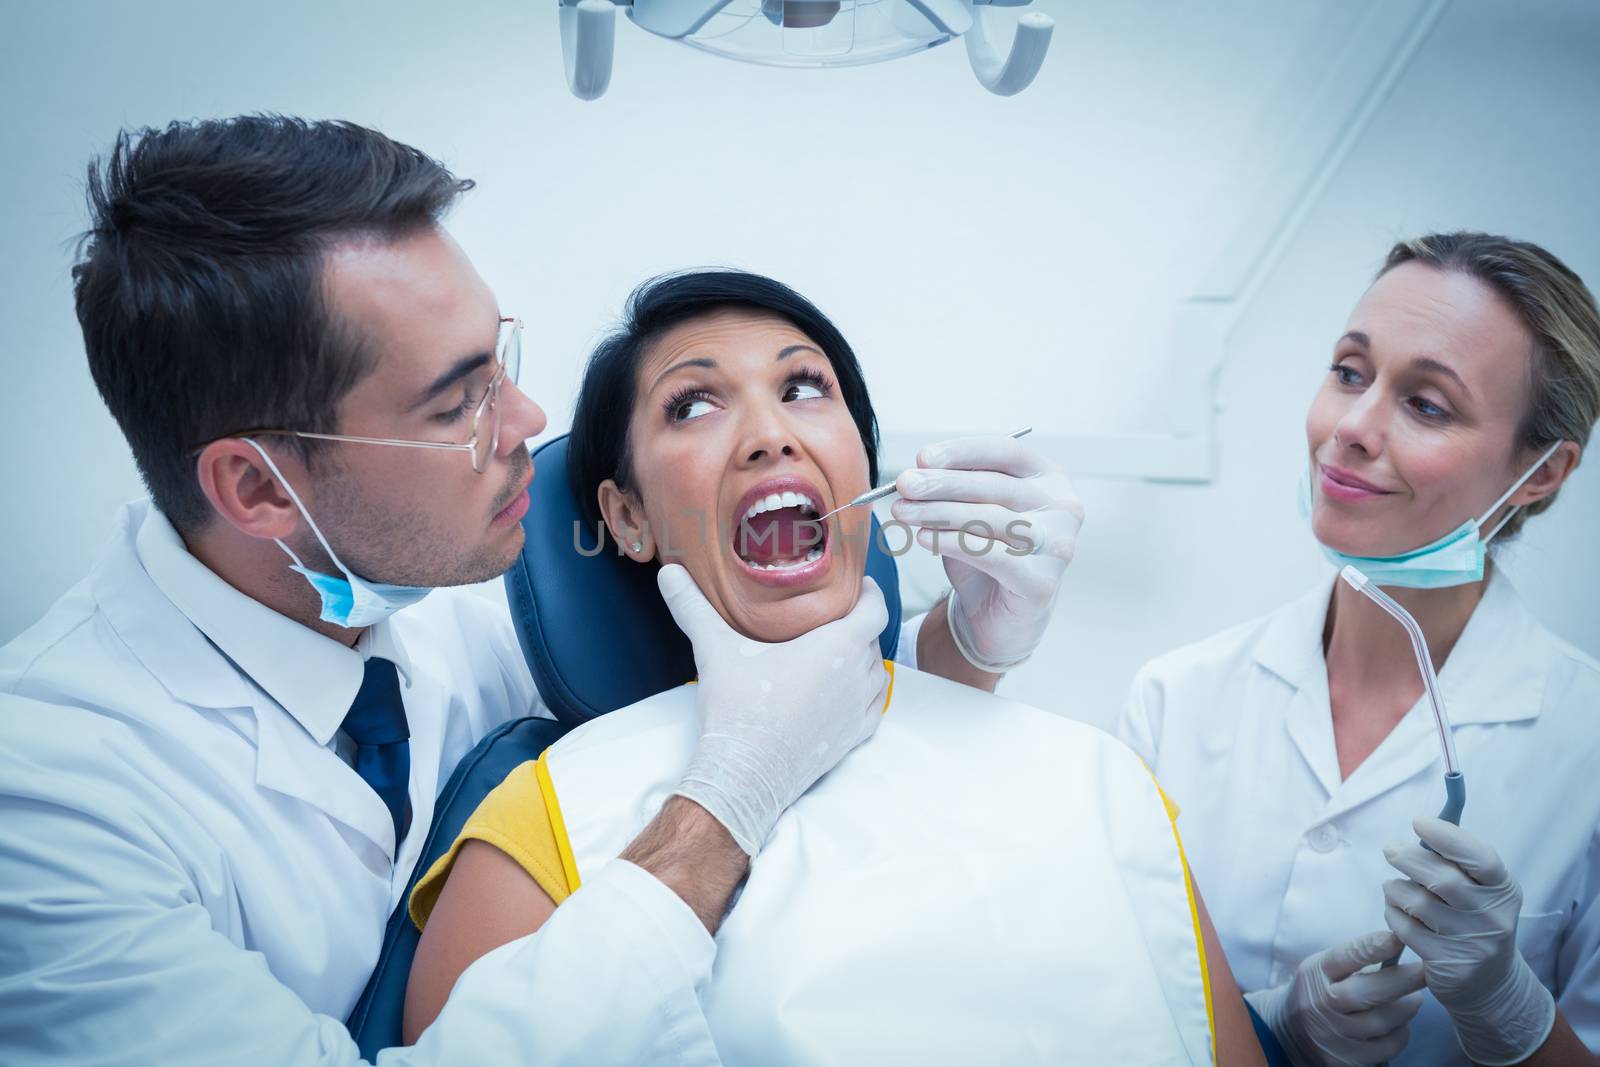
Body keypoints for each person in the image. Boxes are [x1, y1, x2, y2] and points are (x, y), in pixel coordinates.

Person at [0, 118, 1080, 1065]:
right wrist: (724, 805)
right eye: (455, 404)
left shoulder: (464, 597)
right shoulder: (45, 801)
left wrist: (971, 641)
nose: (527, 423)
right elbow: (759, 755)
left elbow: (820, 716)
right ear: (257, 486)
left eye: (499, 358)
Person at [401, 270, 1264, 1065]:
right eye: (694, 404)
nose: (770, 435)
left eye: (804, 388)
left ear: (865, 464)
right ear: (627, 519)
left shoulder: (1102, 777)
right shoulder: (542, 814)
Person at [1117, 233, 1600, 1066]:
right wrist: (1264, 1024)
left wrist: (1510, 1014)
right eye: (1349, 371)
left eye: (1427, 404)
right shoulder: (1175, 699)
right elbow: (1103, 1013)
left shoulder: (1585, 745)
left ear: (1543, 472)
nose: (1350, 427)